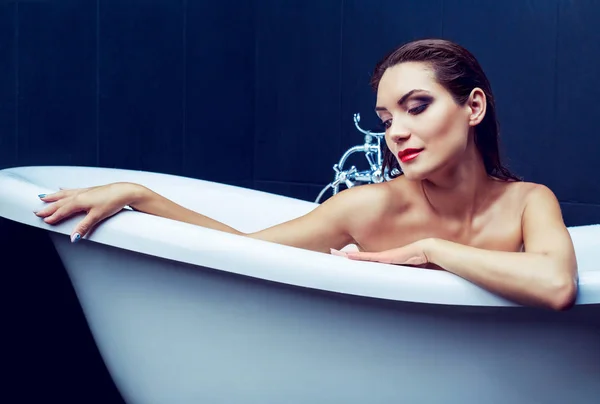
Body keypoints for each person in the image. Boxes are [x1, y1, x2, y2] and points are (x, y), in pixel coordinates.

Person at [34, 38, 578, 311]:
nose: (397, 133)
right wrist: (140, 196)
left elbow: (557, 287)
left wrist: (430, 250)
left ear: (473, 107)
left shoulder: (530, 202)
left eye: (418, 107)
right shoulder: (370, 206)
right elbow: (243, 250)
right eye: (386, 120)